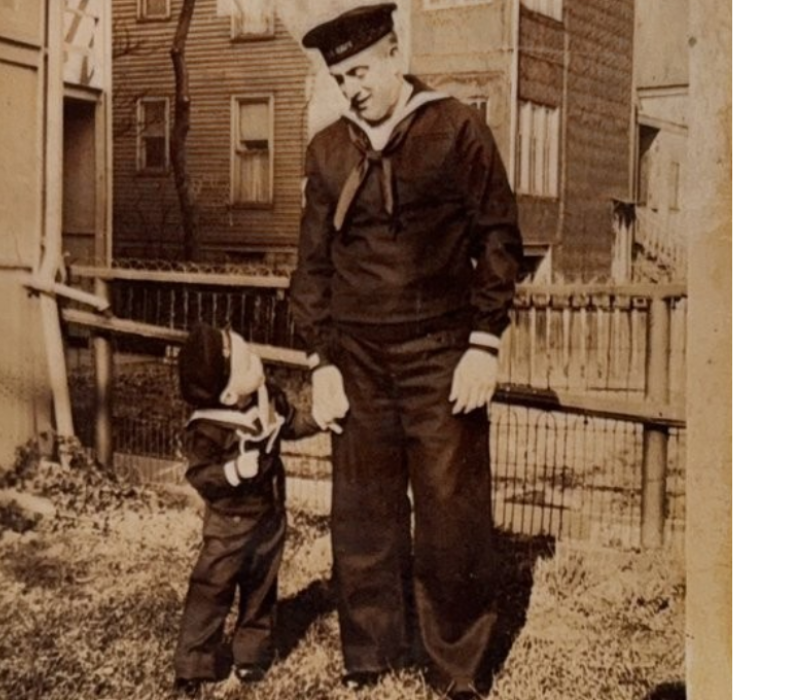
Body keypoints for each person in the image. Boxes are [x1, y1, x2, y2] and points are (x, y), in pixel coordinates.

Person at [290, 4, 524, 698]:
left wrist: (484, 342)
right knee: (363, 510)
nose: (353, 88)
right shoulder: (329, 150)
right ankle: (370, 654)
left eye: (361, 71)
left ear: (394, 54)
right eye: (340, 79)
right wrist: (321, 360)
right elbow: (311, 266)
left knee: (451, 513)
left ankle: (455, 667)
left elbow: (500, 237)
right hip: (357, 357)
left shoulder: (456, 128)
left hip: (441, 351)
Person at [172, 323, 319, 697]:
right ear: (228, 391)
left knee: (261, 587)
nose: (256, 360)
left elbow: (290, 425)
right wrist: (233, 470)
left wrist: (318, 420)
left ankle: (251, 654)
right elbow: (201, 476)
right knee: (211, 588)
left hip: (269, 515)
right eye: (246, 360)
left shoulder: (266, 398)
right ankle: (193, 663)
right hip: (228, 523)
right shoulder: (207, 429)